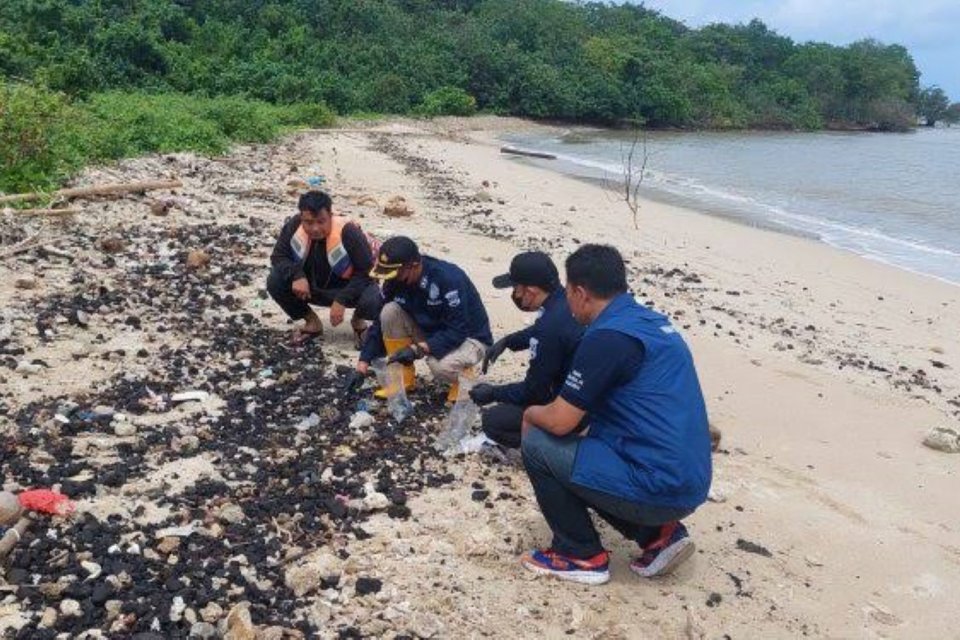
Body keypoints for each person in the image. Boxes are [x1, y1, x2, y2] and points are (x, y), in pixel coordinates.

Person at [519, 244, 712, 585]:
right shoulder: (651, 322)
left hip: (660, 484)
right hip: (690, 478)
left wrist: (531, 415)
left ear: (580, 292)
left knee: (539, 443)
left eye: (568, 292)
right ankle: (659, 535)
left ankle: (580, 554)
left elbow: (561, 420)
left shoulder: (607, 337)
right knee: (584, 447)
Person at [355, 236, 493, 402]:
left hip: (469, 337)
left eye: (396, 274)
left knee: (440, 367)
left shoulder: (447, 279)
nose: (391, 280)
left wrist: (416, 349)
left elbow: (458, 330)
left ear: (414, 266)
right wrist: (362, 365)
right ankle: (402, 379)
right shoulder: (395, 280)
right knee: (389, 311)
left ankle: (469, 377)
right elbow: (379, 323)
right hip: (431, 331)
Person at [468, 251, 582, 449]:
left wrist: (494, 393)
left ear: (530, 291)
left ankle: (553, 449)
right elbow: (542, 330)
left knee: (495, 421)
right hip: (587, 395)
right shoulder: (564, 302)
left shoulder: (549, 328)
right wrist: (509, 341)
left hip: (571, 408)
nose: (515, 294)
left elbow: (534, 391)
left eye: (515, 288)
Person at [267, 190, 382, 346]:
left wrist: (342, 299)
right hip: (309, 289)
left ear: (330, 215)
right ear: (301, 218)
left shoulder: (349, 232)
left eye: (321, 222)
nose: (315, 229)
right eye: (309, 222)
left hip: (346, 289)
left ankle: (358, 321)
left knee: (374, 299)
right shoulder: (294, 225)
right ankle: (312, 322)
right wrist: (297, 275)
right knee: (275, 280)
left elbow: (366, 272)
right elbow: (278, 256)